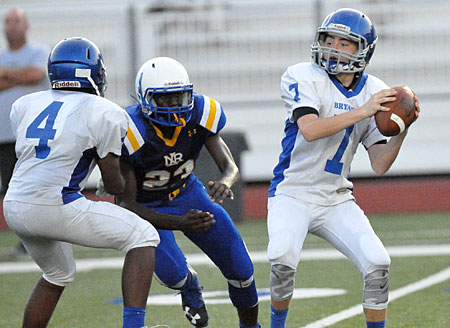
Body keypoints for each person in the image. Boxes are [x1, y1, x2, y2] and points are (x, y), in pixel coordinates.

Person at [2, 37, 212, 328]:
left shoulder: (26, 104)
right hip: (55, 204)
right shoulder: (104, 111)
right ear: (93, 73)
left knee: (58, 274)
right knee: (143, 236)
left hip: (14, 204)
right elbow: (114, 185)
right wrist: (112, 178)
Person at [267, 8, 420, 328]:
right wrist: (363, 110)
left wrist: (402, 128)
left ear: (363, 50)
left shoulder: (375, 89)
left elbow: (379, 164)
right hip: (292, 192)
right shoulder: (302, 75)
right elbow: (309, 129)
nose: (334, 48)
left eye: (344, 43)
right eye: (329, 40)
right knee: (282, 257)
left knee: (378, 263)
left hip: (335, 196)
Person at [114, 56, 260, 328]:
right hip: (146, 208)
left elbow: (230, 166)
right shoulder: (130, 128)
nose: (173, 106)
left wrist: (226, 181)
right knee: (173, 275)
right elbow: (126, 204)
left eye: (178, 97)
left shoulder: (200, 114)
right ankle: (190, 285)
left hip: (187, 194)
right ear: (145, 100)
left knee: (241, 269)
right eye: (164, 99)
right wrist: (179, 223)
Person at [0, 8, 50, 259]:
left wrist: (7, 74)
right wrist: (20, 76)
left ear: (26, 25)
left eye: (16, 21)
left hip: (31, 135)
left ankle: (45, 234)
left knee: (36, 185)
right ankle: (25, 240)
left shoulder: (39, 53)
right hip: (4, 136)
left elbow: (36, 75)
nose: (12, 26)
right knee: (12, 190)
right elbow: (27, 76)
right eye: (8, 21)